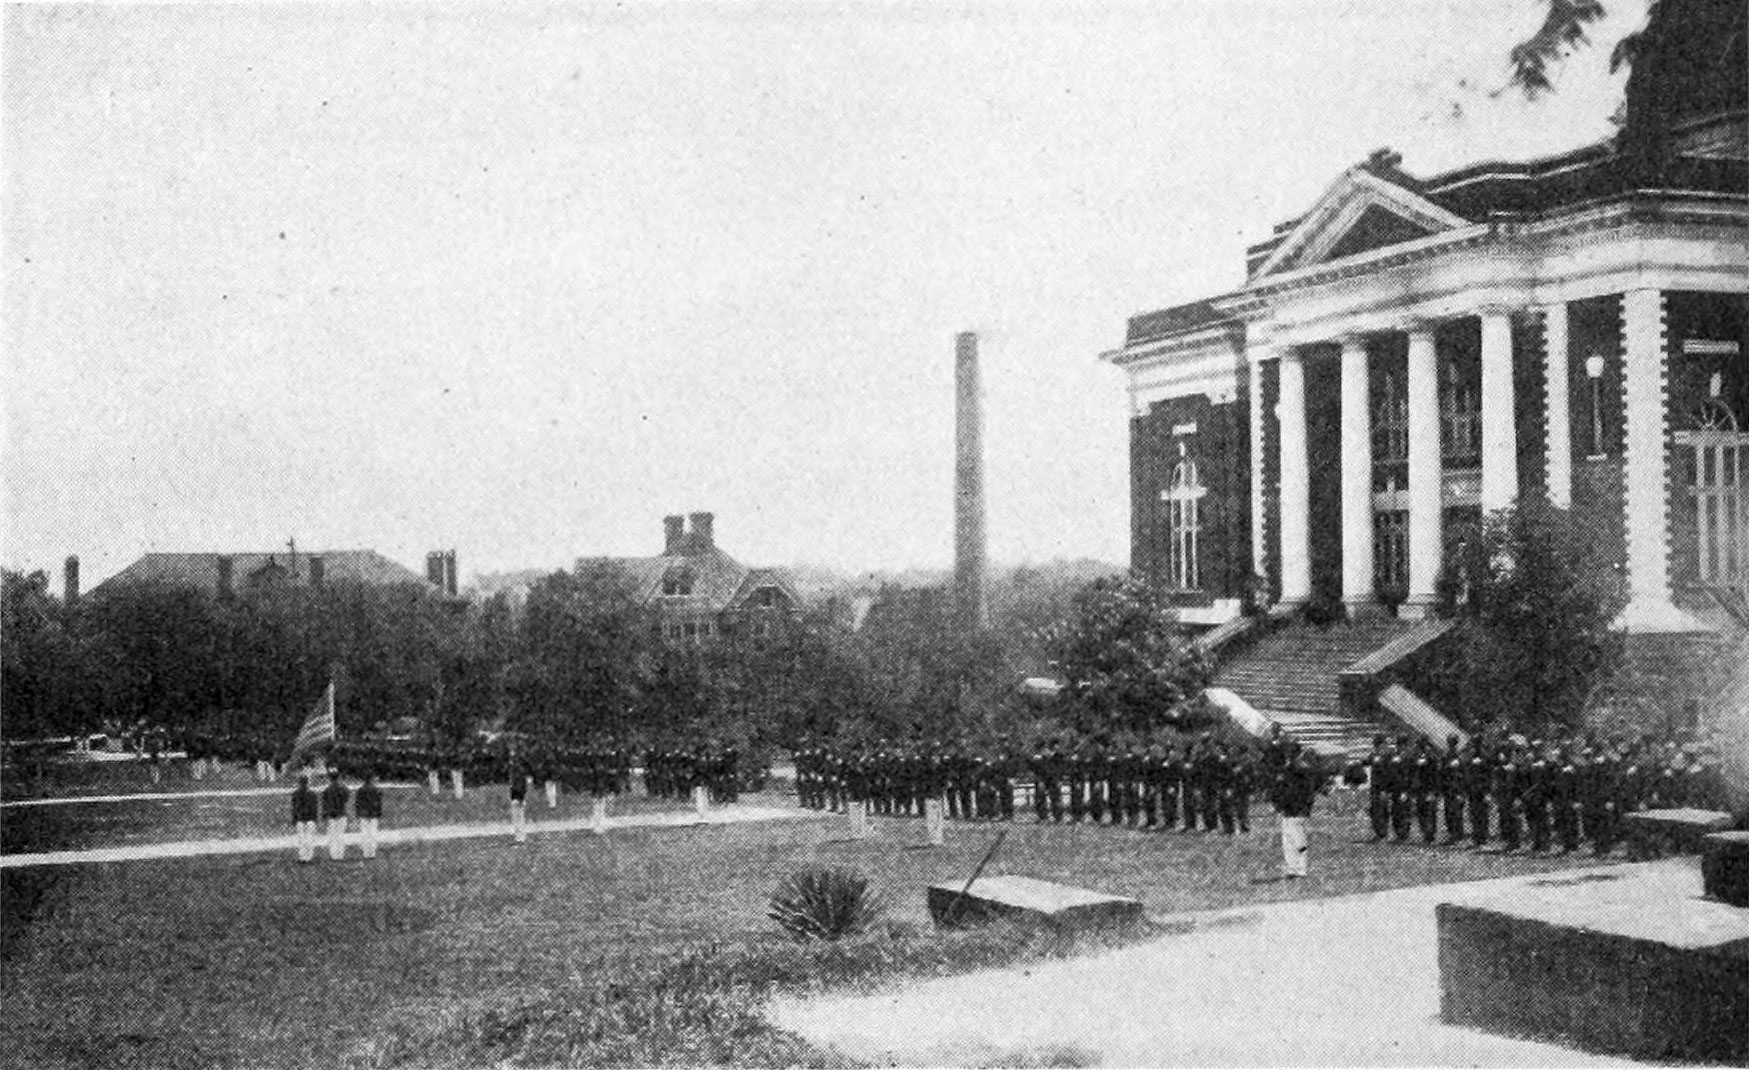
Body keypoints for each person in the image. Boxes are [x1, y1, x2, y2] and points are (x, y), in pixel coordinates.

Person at [1272, 743, 1323, 879]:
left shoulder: (1296, 769)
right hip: (1294, 808)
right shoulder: (1298, 768)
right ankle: (1294, 869)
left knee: (1295, 839)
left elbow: (1294, 790)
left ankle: (1298, 868)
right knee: (1289, 838)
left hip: (1296, 808)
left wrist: (1282, 805)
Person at [353, 771, 383, 860]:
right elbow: (379, 803)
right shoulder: (376, 790)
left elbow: (358, 803)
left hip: (364, 814)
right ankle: (372, 853)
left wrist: (358, 813)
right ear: (371, 779)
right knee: (373, 833)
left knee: (365, 833)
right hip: (373, 814)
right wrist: (379, 813)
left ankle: (366, 853)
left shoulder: (360, 790)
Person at [322, 767, 349, 860]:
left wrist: (324, 815)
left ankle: (334, 855)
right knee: (340, 835)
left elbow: (325, 803)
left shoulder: (327, 790)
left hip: (331, 815)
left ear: (329, 778)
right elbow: (346, 798)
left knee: (332, 836)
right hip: (341, 813)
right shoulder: (343, 788)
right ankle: (340, 854)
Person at [292, 773, 319, 863]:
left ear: (299, 782)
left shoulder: (295, 794)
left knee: (301, 839)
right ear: (308, 783)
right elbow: (315, 808)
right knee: (309, 838)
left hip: (300, 819)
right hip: (310, 818)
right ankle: (309, 856)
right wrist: (315, 819)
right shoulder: (312, 794)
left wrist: (294, 819)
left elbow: (294, 808)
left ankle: (302, 857)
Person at [508, 758, 530, 844]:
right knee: (519, 819)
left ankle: (519, 839)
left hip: (517, 798)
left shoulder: (517, 775)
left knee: (517, 819)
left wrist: (518, 798)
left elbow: (519, 788)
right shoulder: (520, 775)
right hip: (519, 798)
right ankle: (520, 838)